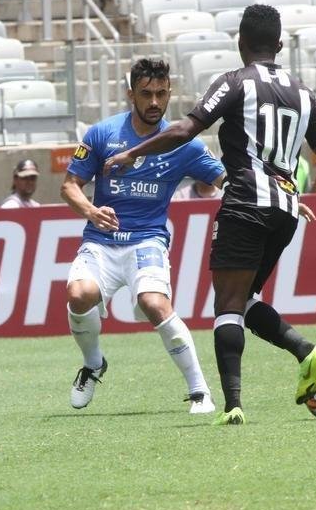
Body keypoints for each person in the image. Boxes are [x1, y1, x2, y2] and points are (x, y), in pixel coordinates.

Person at [103, 5, 316, 426]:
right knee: (247, 298)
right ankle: (306, 352)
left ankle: (233, 405)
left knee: (228, 305)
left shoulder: (235, 82)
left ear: (241, 42)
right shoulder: (303, 93)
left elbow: (185, 130)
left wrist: (133, 153)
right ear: (279, 44)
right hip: (285, 210)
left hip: (245, 204)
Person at [62, 58, 226, 415]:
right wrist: (91, 211)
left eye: (161, 94)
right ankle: (93, 364)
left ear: (170, 93)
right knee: (78, 294)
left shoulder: (184, 144)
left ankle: (200, 391)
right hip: (101, 241)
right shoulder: (102, 134)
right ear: (130, 95)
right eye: (146, 94)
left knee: (154, 303)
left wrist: (272, 194)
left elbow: (225, 180)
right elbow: (70, 185)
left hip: (147, 241)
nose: (154, 102)